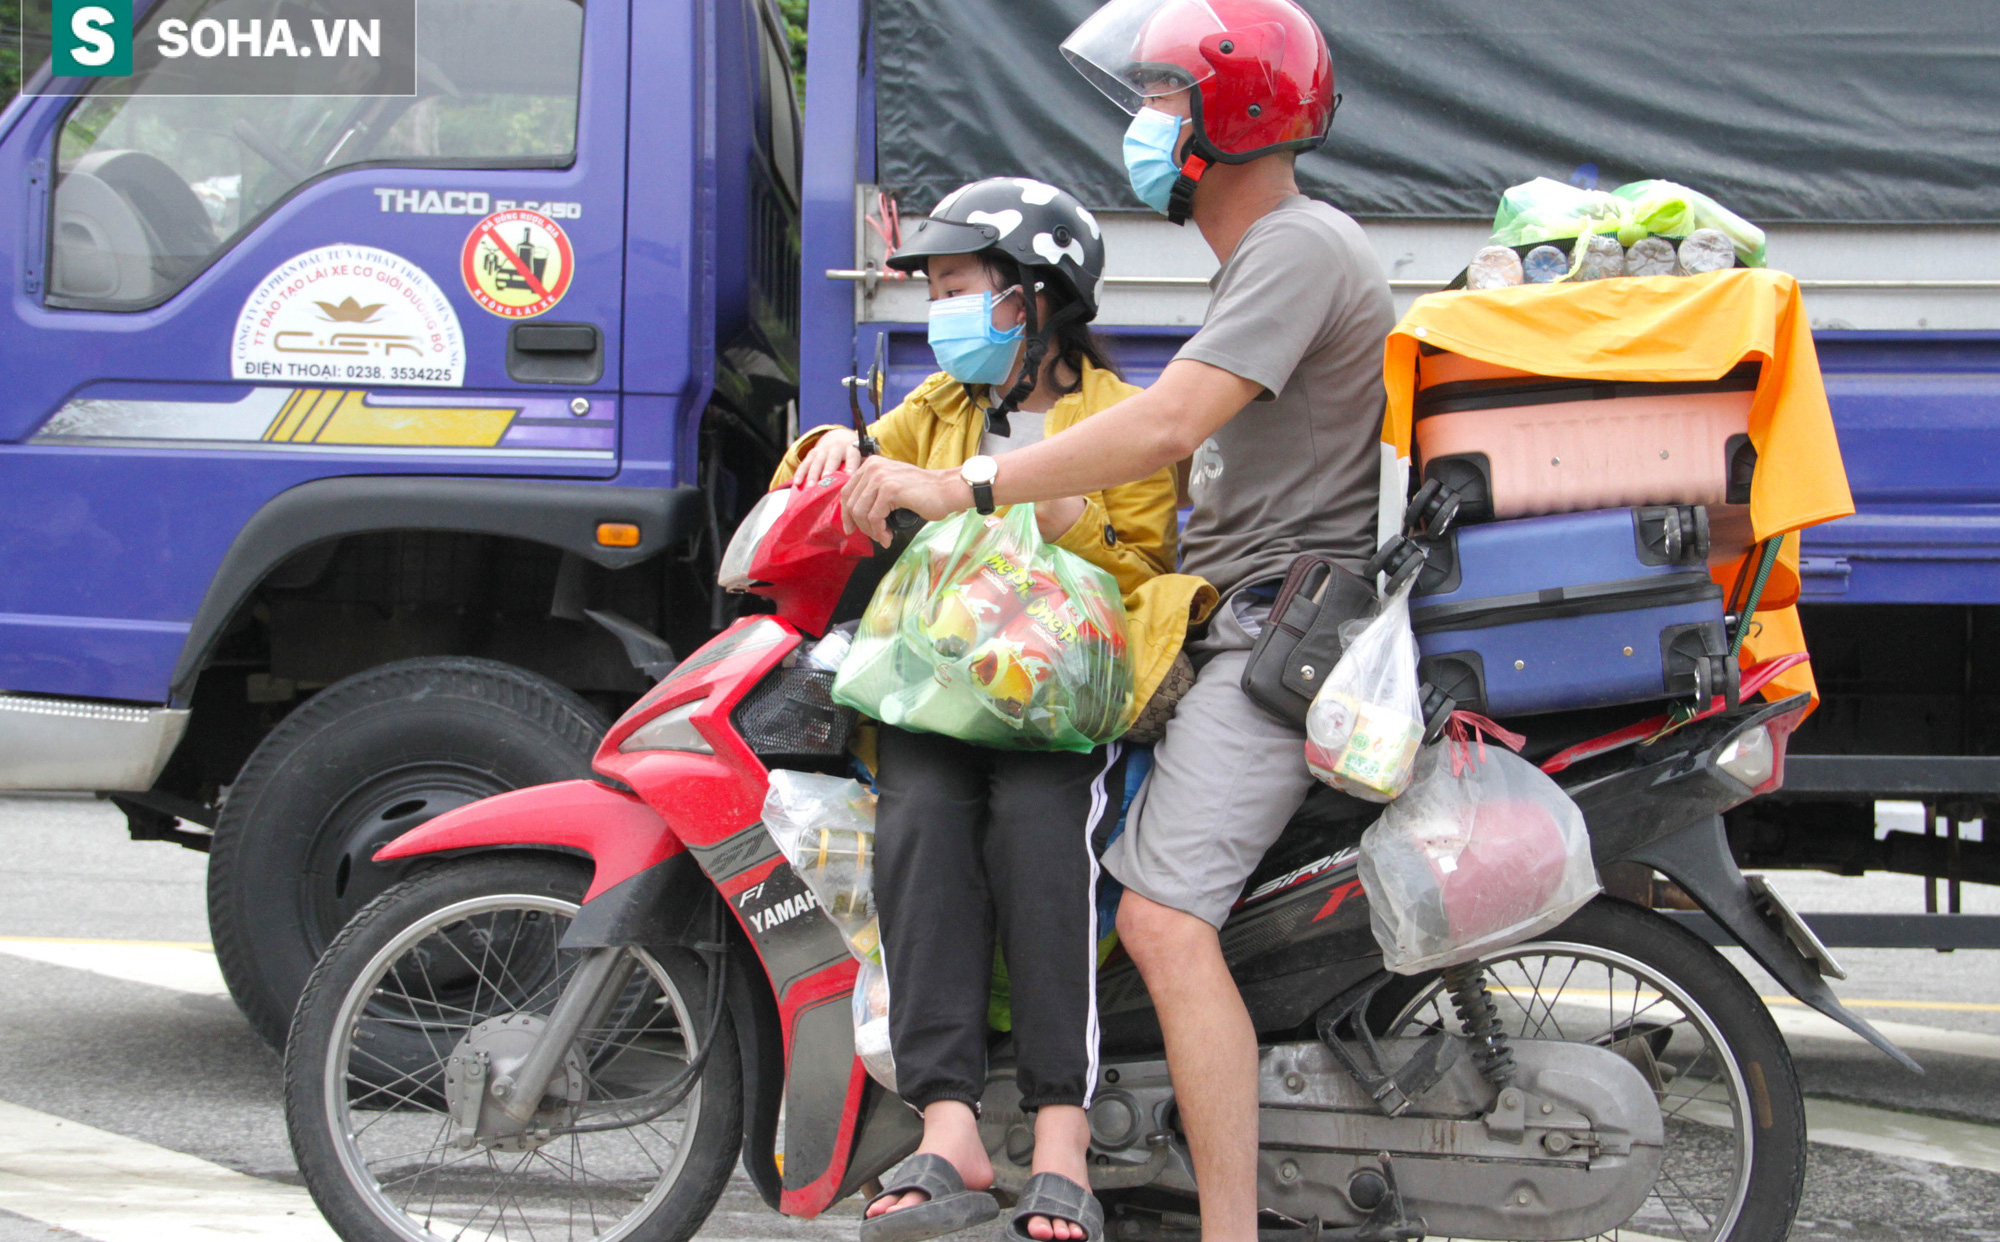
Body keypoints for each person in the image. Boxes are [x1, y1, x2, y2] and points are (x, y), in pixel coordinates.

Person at [835, 5, 1391, 1242]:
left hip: (1269, 635)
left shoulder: (1295, 249)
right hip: (1232, 625)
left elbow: (1161, 433)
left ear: (1225, 116)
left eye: (1160, 99)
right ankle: (960, 1121)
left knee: (1156, 915)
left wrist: (965, 489)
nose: (1141, 128)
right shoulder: (1262, 262)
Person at [770, 177, 1211, 1242]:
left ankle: (1063, 1132)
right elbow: (835, 477)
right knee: (915, 819)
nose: (942, 308)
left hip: (1057, 707)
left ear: (1029, 297)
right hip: (938, 698)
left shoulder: (1118, 418)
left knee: (1039, 825)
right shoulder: (939, 409)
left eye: (960, 284)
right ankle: (949, 1122)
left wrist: (1046, 505)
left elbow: (1143, 562)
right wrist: (827, 444)